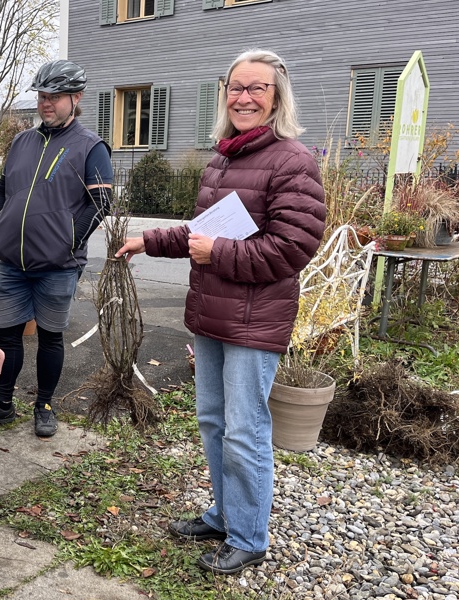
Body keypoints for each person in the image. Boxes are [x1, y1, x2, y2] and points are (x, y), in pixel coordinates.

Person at [116, 49, 326, 575]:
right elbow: (203, 232)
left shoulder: (292, 160)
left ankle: (250, 536)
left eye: (257, 88)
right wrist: (148, 241)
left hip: (255, 323)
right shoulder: (223, 157)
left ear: (277, 96)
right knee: (213, 421)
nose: (244, 97)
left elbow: (293, 248)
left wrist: (220, 254)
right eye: (236, 87)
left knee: (244, 429)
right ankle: (225, 513)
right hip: (212, 313)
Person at [0, 59, 114, 438]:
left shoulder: (90, 147)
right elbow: (1, 190)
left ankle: (44, 405)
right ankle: (3, 403)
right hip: (12, 263)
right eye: (43, 96)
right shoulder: (22, 142)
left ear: (76, 98)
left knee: (50, 336)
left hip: (57, 266)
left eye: (55, 97)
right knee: (7, 335)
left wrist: (68, 241)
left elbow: (101, 204)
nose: (47, 103)